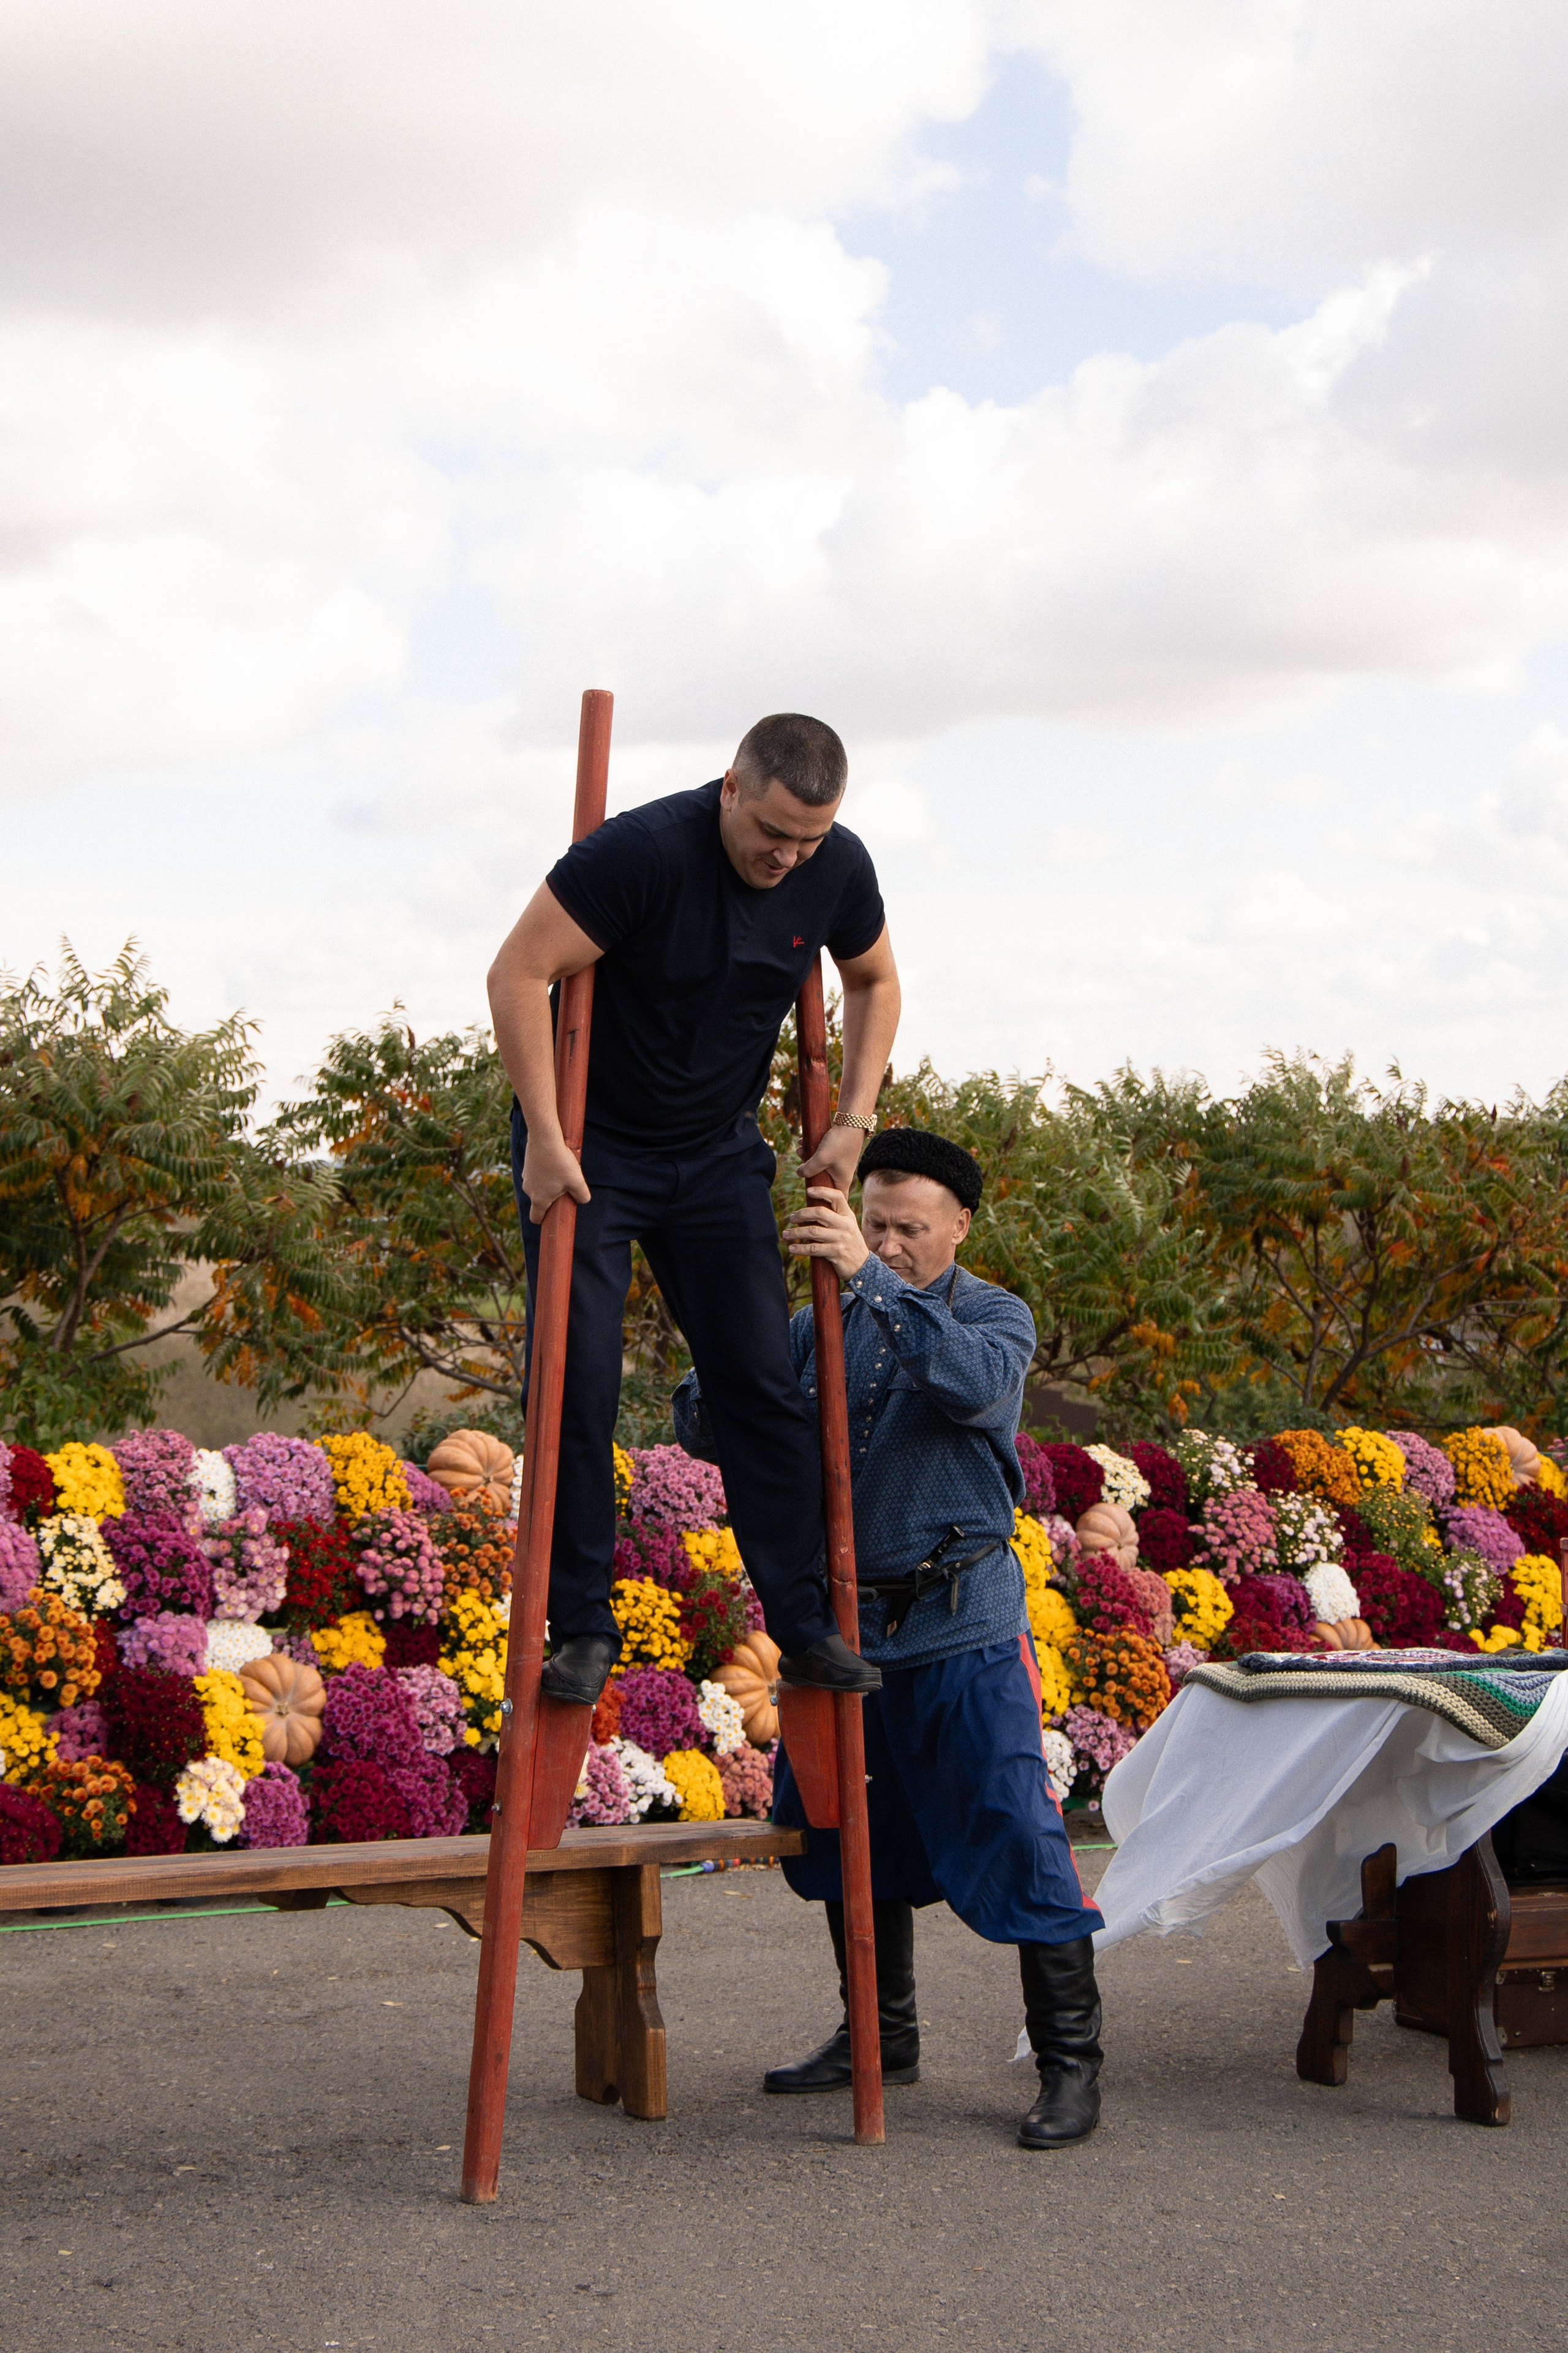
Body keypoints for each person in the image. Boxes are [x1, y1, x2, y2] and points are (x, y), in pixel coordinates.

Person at [674, 1127, 1106, 2149]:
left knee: (1017, 1827)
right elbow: (706, 1427)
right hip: (846, 1634)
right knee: (844, 1832)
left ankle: (1071, 2064)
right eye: (874, 1224)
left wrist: (869, 1280)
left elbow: (974, 1387)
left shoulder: (995, 1316)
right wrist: (730, 1328)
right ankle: (881, 2034)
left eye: (910, 1227)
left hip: (965, 1624)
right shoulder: (817, 1321)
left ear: (961, 1227)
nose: (890, 1242)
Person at [487, 711, 901, 1707]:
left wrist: (854, 1118)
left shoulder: (838, 867)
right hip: (590, 1149)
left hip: (716, 1156)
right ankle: (583, 1625)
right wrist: (542, 1134)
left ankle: (803, 1623)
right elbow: (518, 972)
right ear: (730, 787)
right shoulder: (640, 852)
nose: (787, 856)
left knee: (760, 1380)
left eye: (808, 839)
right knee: (578, 1382)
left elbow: (875, 979)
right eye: (772, 832)